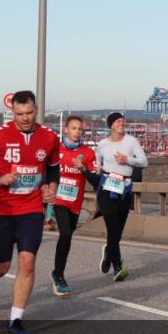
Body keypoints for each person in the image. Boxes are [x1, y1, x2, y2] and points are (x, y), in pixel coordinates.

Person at [0, 90, 60, 334]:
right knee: (1, 265)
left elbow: (53, 169)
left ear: (36, 109)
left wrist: (51, 187)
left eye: (29, 113)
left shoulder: (49, 137)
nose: (25, 118)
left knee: (27, 262)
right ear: (13, 113)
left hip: (30, 210)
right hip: (1, 209)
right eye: (19, 114)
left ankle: (15, 322)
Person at [95, 112, 147, 282]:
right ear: (111, 125)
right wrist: (96, 168)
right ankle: (117, 267)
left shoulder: (131, 142)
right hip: (106, 188)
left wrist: (128, 160)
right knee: (112, 228)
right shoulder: (102, 144)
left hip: (124, 189)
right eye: (118, 121)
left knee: (117, 232)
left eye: (123, 121)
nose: (121, 123)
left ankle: (108, 252)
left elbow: (144, 161)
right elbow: (97, 163)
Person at [50, 115, 99, 296]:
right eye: (73, 128)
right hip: (59, 199)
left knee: (68, 237)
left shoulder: (87, 153)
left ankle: (57, 272)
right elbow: (46, 170)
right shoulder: (56, 149)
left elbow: (96, 181)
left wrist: (84, 169)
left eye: (80, 129)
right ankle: (59, 275)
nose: (77, 132)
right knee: (65, 232)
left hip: (75, 202)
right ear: (65, 129)